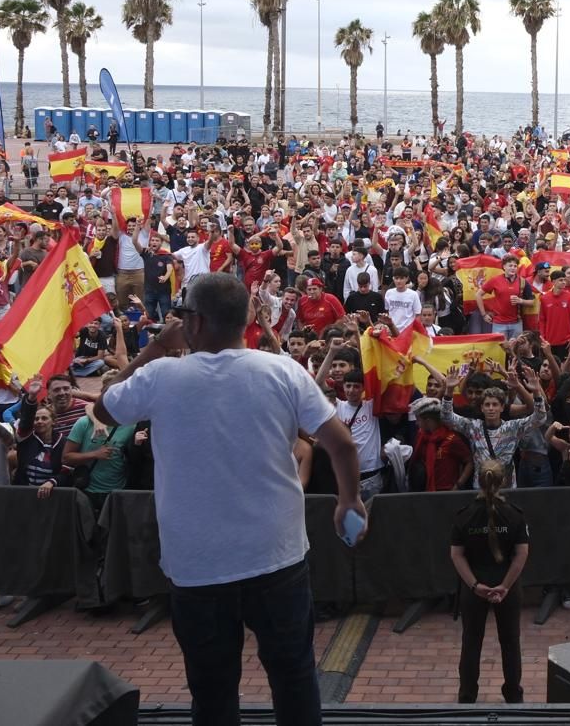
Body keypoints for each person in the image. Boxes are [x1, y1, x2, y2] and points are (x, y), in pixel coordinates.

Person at [94, 272, 366, 726]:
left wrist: (156, 347)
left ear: (194, 322)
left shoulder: (161, 375)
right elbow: (343, 445)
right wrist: (349, 500)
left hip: (198, 566)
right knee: (295, 680)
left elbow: (104, 407)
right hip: (277, 558)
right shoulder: (282, 371)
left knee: (213, 691)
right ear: (249, 318)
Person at [449, 459, 530, 704]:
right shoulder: (515, 515)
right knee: (510, 642)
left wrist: (475, 585)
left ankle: (467, 697)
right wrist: (504, 586)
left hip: (475, 588)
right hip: (507, 586)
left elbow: (456, 555)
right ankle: (514, 695)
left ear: (479, 481)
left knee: (471, 641)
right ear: (503, 481)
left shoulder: (464, 516)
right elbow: (521, 554)